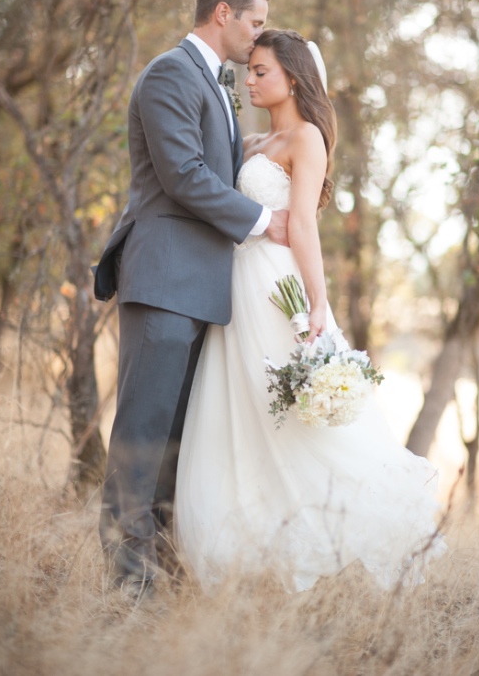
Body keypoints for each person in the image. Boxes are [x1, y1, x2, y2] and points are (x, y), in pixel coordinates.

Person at [175, 29, 446, 593]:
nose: (247, 80)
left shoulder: (306, 140)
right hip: (234, 290)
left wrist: (318, 303)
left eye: (260, 71)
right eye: (248, 70)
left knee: (296, 419)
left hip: (279, 292)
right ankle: (246, 556)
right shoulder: (251, 145)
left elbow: (301, 226)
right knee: (241, 412)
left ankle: (345, 535)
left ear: (292, 78)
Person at [93, 0, 291, 597]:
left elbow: (210, 161)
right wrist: (263, 220)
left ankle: (161, 580)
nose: (258, 36)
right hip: (164, 281)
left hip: (197, 289)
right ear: (224, 12)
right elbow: (180, 173)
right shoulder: (171, 72)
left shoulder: (215, 83)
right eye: (255, 22)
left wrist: (254, 149)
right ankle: (128, 590)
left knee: (175, 447)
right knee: (142, 440)